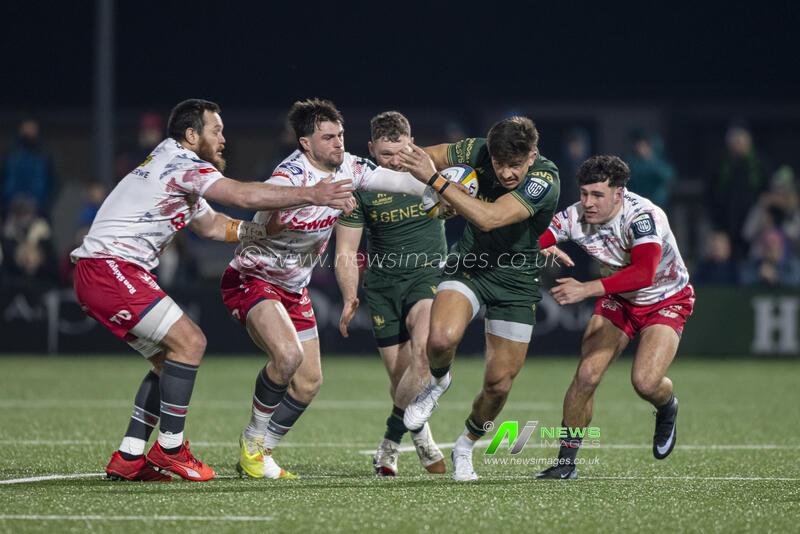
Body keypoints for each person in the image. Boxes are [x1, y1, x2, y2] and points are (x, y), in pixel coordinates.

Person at [70, 98, 354, 483]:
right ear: (191, 135)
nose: (223, 138)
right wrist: (313, 194)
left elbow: (210, 226)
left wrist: (259, 232)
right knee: (191, 342)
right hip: (109, 269)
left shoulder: (172, 164)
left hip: (106, 272)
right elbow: (243, 197)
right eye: (215, 130)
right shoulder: (183, 165)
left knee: (167, 361)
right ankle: (171, 449)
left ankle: (130, 455)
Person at [222, 99, 430, 480]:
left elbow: (400, 181)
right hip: (254, 278)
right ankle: (252, 442)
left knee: (309, 382)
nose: (338, 143)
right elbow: (264, 202)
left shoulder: (349, 166)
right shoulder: (289, 175)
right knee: (287, 357)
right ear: (305, 143)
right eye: (328, 137)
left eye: (341, 135)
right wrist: (314, 195)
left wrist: (439, 191)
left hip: (293, 287)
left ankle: (261, 453)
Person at [395, 116, 561, 481]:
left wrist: (437, 182)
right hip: (471, 262)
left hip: (516, 278)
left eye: (514, 165)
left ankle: (466, 445)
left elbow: (489, 218)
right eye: (499, 164)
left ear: (532, 155)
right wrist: (404, 158)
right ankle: (439, 382)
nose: (505, 173)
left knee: (499, 383)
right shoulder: (477, 149)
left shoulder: (544, 180)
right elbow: (433, 155)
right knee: (439, 339)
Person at [533, 155, 693, 479]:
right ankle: (566, 464)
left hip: (665, 299)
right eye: (583, 193)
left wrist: (585, 289)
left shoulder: (643, 217)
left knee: (645, 382)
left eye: (597, 195)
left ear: (618, 194)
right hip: (619, 299)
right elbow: (536, 239)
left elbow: (645, 273)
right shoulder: (576, 215)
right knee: (587, 375)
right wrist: (539, 247)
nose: (587, 203)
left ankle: (667, 406)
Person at [335, 111, 446, 476]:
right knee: (401, 379)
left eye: (400, 151)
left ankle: (388, 443)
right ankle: (422, 437)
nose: (394, 161)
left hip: (427, 276)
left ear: (411, 141)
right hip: (382, 288)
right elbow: (346, 251)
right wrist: (350, 296)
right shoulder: (363, 185)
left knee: (423, 358)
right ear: (370, 149)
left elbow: (476, 208)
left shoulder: (432, 174)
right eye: (385, 155)